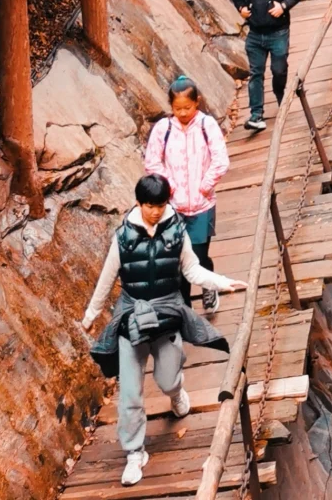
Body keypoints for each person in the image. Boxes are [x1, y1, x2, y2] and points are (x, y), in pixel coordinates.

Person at [81, 174, 246, 487]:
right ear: (139, 203)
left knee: (167, 379)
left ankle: (176, 392)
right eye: (148, 205)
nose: (155, 211)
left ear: (167, 202)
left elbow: (191, 269)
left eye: (159, 205)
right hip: (132, 315)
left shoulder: (176, 232)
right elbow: (107, 278)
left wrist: (222, 282)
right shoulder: (123, 238)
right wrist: (91, 314)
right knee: (130, 391)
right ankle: (134, 453)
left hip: (167, 312)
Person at [143, 76, 230, 313]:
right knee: (178, 261)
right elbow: (152, 162)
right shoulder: (164, 129)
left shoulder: (206, 125)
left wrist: (205, 185)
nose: (182, 113)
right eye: (177, 108)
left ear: (197, 103)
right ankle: (184, 310)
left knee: (199, 257)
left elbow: (221, 160)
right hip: (174, 208)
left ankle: (208, 285)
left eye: (187, 108)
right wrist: (169, 187)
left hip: (202, 205)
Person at [230, 0, 304, 133]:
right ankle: (256, 115)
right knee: (256, 73)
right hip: (255, 33)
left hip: (278, 32)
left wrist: (284, 6)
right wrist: (241, 8)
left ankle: (280, 95)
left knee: (279, 70)